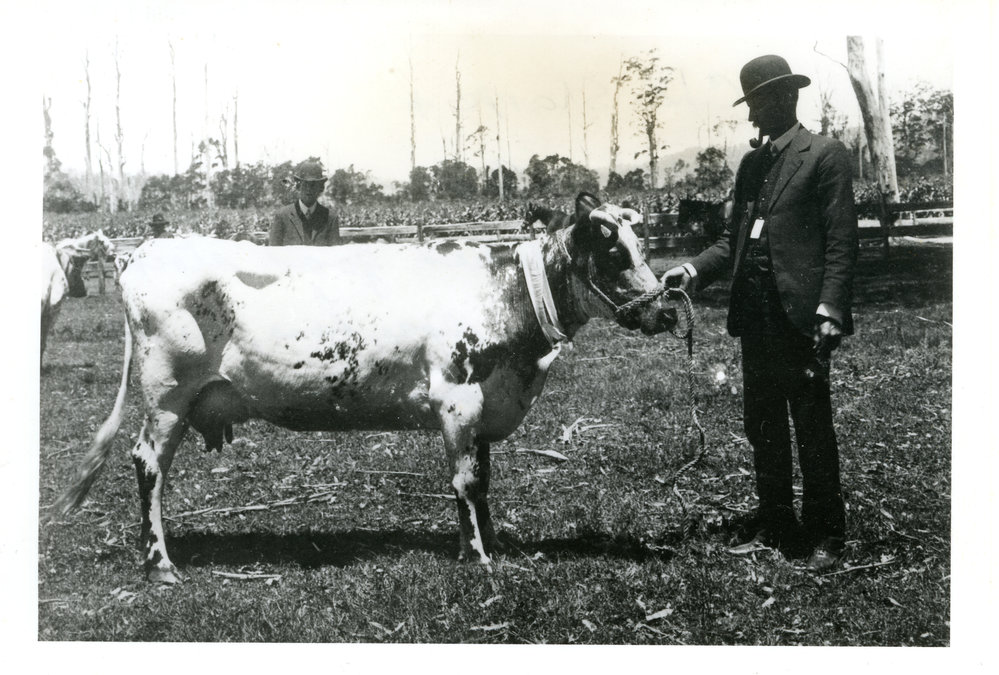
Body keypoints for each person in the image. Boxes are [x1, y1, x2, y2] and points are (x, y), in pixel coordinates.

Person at [662, 55, 859, 572]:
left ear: (787, 98)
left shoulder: (825, 155)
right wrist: (692, 269)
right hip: (756, 318)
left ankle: (826, 534)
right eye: (750, 104)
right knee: (764, 423)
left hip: (801, 318)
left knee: (812, 424)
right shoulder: (752, 166)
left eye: (760, 104)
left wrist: (830, 308)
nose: (753, 116)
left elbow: (842, 242)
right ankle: (776, 521)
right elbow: (733, 239)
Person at [269, 159, 342, 246]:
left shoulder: (330, 218)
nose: (309, 189)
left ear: (320, 188)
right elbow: (273, 254)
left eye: (313, 185)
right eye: (305, 184)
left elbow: (335, 255)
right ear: (298, 186)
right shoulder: (282, 216)